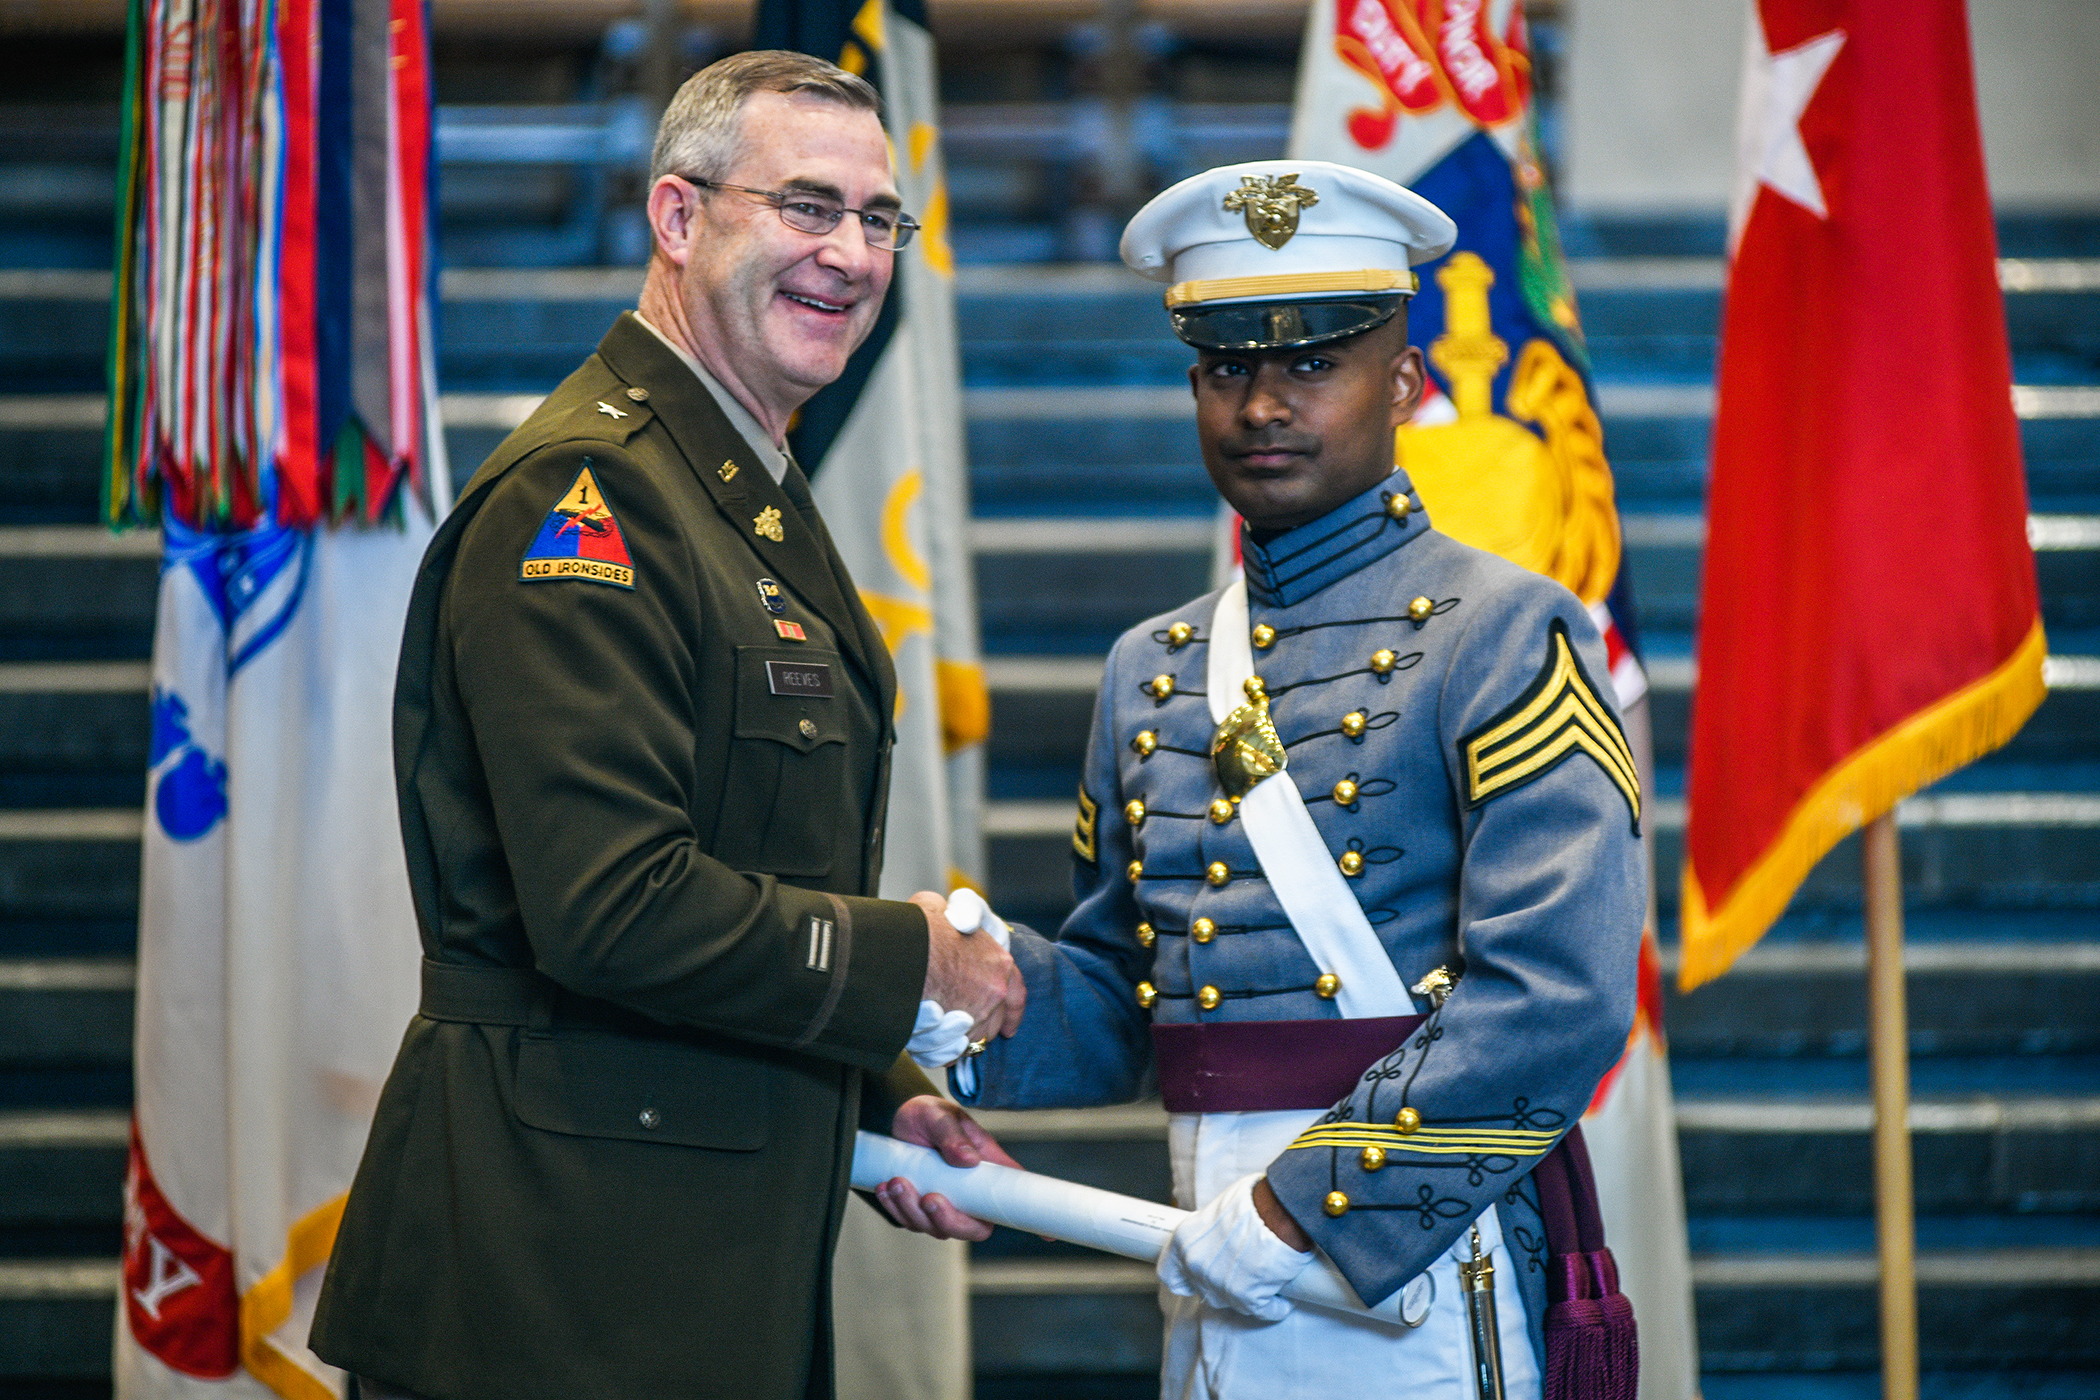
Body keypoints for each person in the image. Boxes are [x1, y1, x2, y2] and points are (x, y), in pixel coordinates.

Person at [309, 51, 1020, 1400]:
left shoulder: (727, 481)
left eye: (880, 220)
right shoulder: (589, 497)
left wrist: (884, 1090)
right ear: (678, 219)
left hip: (676, 1288)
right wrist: (911, 963)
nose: (853, 255)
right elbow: (612, 907)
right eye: (807, 207)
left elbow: (743, 861)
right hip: (546, 1299)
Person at [886, 161, 1646, 1398]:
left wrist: (1305, 1207)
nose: (1262, 405)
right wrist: (956, 995)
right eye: (1228, 366)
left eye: (1312, 362)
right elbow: (1127, 1003)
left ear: (1404, 380)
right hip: (1208, 1259)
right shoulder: (1152, 666)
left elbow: (1557, 996)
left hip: (1420, 1257)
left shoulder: (1509, 633)